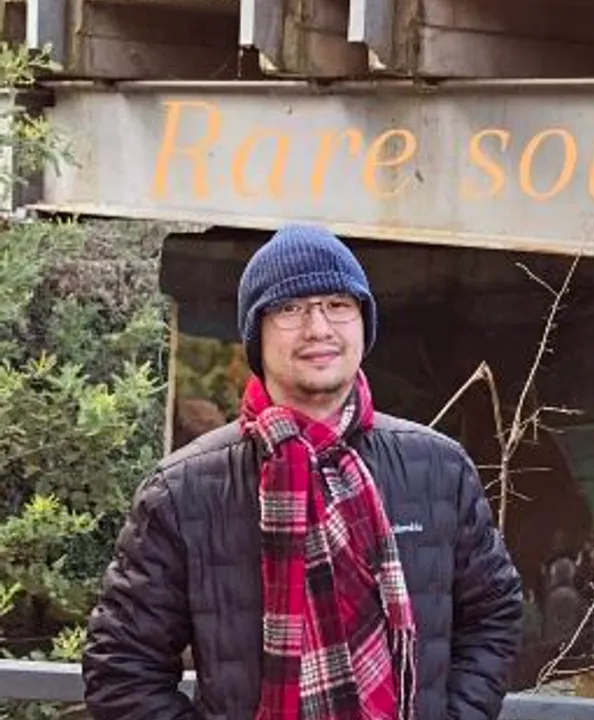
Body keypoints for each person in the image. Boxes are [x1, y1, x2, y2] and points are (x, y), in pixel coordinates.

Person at [82, 223, 524, 720]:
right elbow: (122, 667)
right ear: (256, 333)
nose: (318, 327)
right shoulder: (184, 490)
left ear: (363, 323)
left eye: (338, 304)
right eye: (290, 308)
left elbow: (494, 614)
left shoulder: (438, 469)